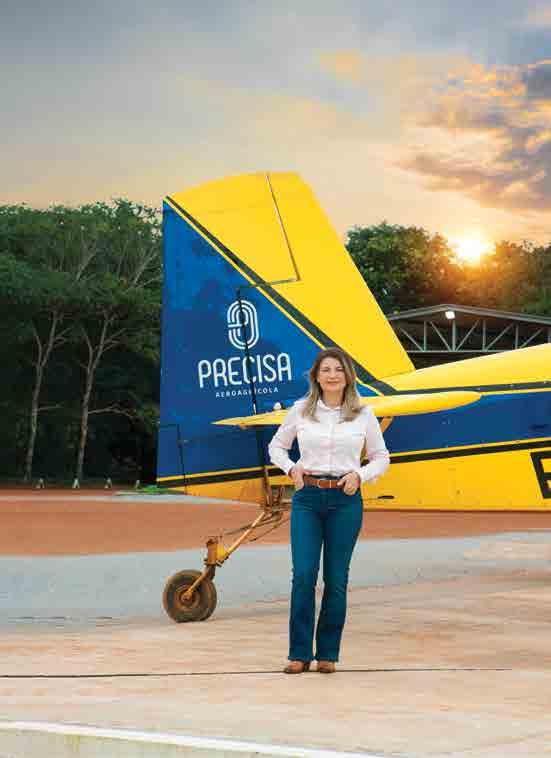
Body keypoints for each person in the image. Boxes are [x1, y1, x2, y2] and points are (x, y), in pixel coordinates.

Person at [268, 347, 390, 674]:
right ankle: (298, 654)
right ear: (316, 377)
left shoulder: (364, 413)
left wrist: (360, 475)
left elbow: (381, 457)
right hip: (307, 499)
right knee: (304, 575)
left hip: (345, 502)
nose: (332, 375)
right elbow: (276, 447)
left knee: (336, 580)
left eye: (338, 369)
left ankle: (328, 654)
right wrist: (291, 468)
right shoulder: (300, 411)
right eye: (326, 370)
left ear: (347, 376)